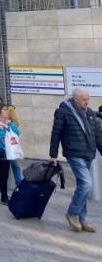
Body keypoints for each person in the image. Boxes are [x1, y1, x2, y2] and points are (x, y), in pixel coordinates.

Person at [49, 87, 102, 233]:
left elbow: (97, 136)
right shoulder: (63, 112)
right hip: (74, 153)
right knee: (86, 184)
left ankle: (81, 219)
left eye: (88, 99)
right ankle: (72, 213)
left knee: (82, 186)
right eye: (84, 99)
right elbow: (56, 133)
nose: (87, 101)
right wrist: (53, 154)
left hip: (88, 154)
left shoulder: (90, 113)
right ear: (76, 98)